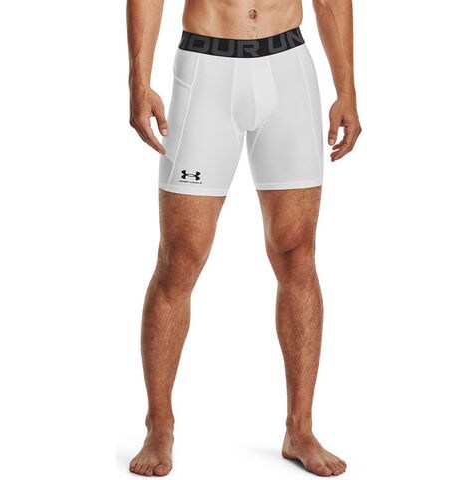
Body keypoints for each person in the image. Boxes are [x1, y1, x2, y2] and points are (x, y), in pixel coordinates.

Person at [126, 0, 361, 476]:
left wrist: (347, 88)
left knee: (297, 254)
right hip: (205, 71)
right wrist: (138, 79)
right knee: (180, 259)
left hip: (288, 69)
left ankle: (300, 429)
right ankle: (159, 424)